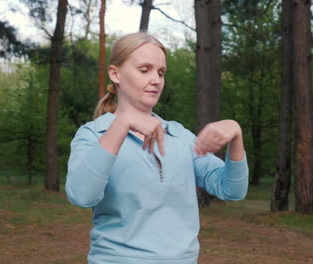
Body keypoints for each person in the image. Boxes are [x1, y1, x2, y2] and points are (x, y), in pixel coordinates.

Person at [65, 32, 249, 264]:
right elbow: (82, 195)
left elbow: (231, 190)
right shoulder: (93, 135)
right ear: (115, 73)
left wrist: (235, 133)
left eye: (161, 72)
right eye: (145, 70)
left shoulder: (179, 136)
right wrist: (122, 123)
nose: (156, 79)